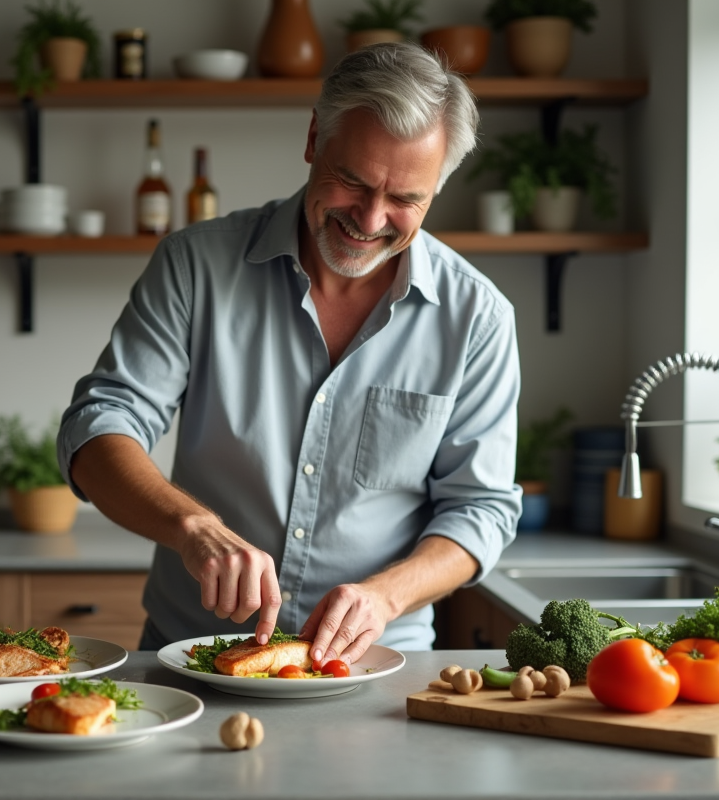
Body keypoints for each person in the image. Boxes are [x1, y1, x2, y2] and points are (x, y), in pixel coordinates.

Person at [57, 42, 521, 665]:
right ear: (313, 138)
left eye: (405, 199)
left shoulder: (478, 317)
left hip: (376, 664)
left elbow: (481, 509)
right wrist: (194, 528)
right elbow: (98, 427)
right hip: (193, 656)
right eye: (352, 181)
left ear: (437, 187)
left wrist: (385, 597)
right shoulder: (195, 265)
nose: (370, 220)